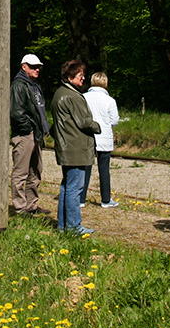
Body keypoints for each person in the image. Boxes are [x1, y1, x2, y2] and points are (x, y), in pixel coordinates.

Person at [50, 60, 101, 235]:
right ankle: (73, 225)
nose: (83, 78)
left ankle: (63, 225)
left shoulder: (60, 93)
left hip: (67, 147)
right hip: (76, 148)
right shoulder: (72, 96)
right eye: (80, 75)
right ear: (71, 76)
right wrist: (98, 126)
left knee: (67, 186)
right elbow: (84, 122)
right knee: (74, 188)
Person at [10, 54, 49, 215]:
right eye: (33, 66)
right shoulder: (19, 85)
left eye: (38, 66)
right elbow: (16, 112)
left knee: (36, 171)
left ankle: (31, 205)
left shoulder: (35, 85)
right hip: (25, 135)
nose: (37, 69)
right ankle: (20, 207)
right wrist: (29, 129)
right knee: (21, 172)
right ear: (23, 66)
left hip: (37, 135)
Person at [81, 72, 120, 208]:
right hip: (104, 138)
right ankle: (106, 199)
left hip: (87, 137)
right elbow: (115, 120)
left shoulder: (83, 98)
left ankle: (81, 199)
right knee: (104, 170)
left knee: (85, 169)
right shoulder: (110, 100)